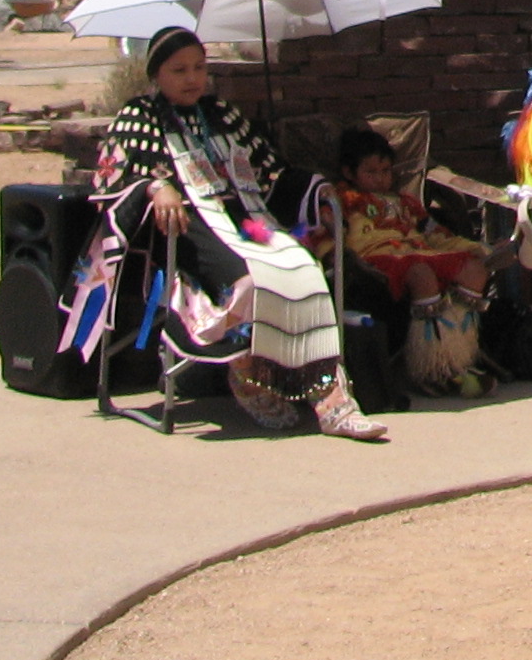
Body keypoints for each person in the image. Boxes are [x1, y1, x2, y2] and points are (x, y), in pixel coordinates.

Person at [99, 28, 386, 440]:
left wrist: (317, 192)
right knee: (251, 282)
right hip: (188, 229)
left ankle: (331, 401)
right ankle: (250, 377)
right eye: (178, 70)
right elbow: (114, 178)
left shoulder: (223, 115)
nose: (191, 78)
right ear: (156, 75)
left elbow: (272, 172)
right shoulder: (138, 116)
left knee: (305, 272)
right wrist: (155, 187)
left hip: (246, 221)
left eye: (199, 68)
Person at [334, 126, 493, 396]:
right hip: (376, 259)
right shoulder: (343, 201)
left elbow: (436, 235)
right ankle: (429, 369)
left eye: (385, 171)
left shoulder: (407, 204)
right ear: (349, 173)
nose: (381, 179)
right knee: (422, 274)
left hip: (420, 252)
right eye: (371, 172)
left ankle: (457, 357)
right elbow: (325, 236)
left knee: (475, 270)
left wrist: (479, 249)